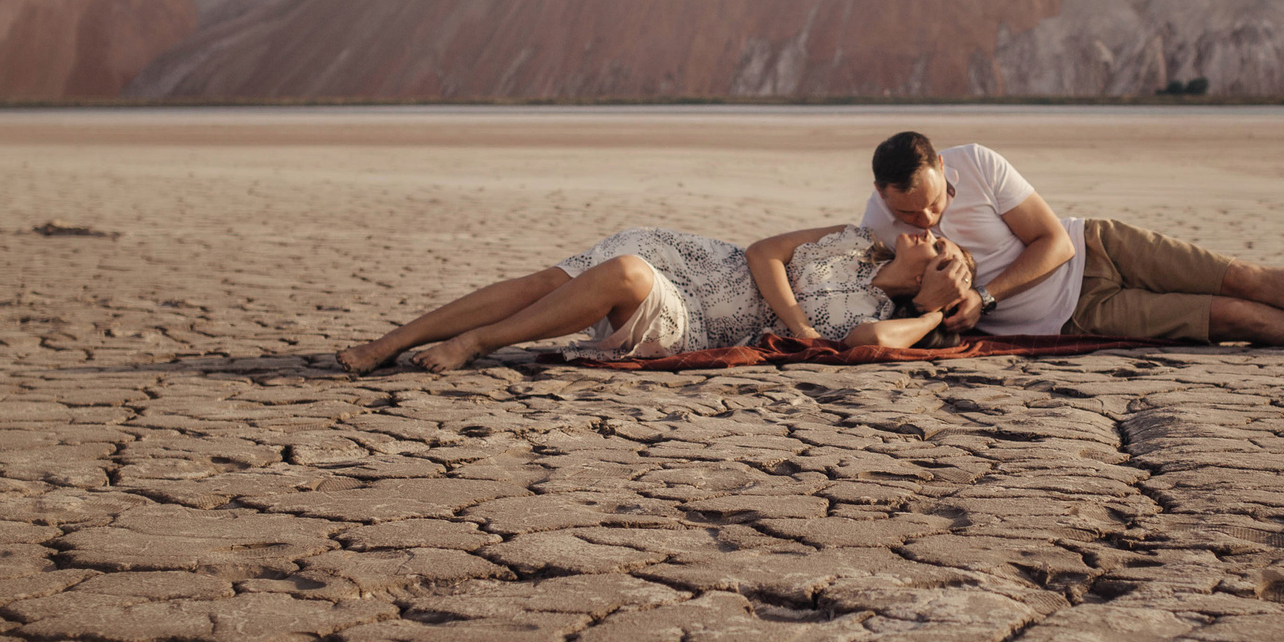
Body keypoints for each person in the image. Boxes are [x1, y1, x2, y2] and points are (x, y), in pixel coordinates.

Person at [859, 132, 1284, 352]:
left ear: (942, 165)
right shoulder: (881, 225)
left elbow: (1053, 243)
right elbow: (898, 305)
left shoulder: (980, 163)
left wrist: (986, 298)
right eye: (911, 212)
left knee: (1242, 277)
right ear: (883, 197)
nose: (930, 217)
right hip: (1074, 315)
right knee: (1234, 318)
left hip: (1098, 247)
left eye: (937, 201)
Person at [334, 223, 972, 375]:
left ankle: (472, 342)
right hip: (693, 259)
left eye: (941, 251)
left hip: (692, 319)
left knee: (626, 276)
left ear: (930, 282)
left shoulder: (884, 316)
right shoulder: (855, 241)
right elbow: (761, 253)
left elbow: (865, 346)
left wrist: (936, 315)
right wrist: (799, 321)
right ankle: (388, 343)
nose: (929, 234)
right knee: (543, 283)